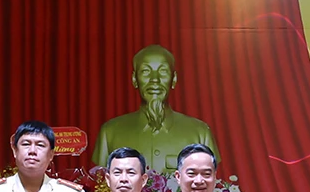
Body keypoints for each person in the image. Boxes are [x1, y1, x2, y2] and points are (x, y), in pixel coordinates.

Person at [92, 44, 220, 174]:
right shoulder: (110, 132)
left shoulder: (200, 133)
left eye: (163, 71)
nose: (155, 79)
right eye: (146, 71)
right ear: (134, 79)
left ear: (174, 79)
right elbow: (100, 181)